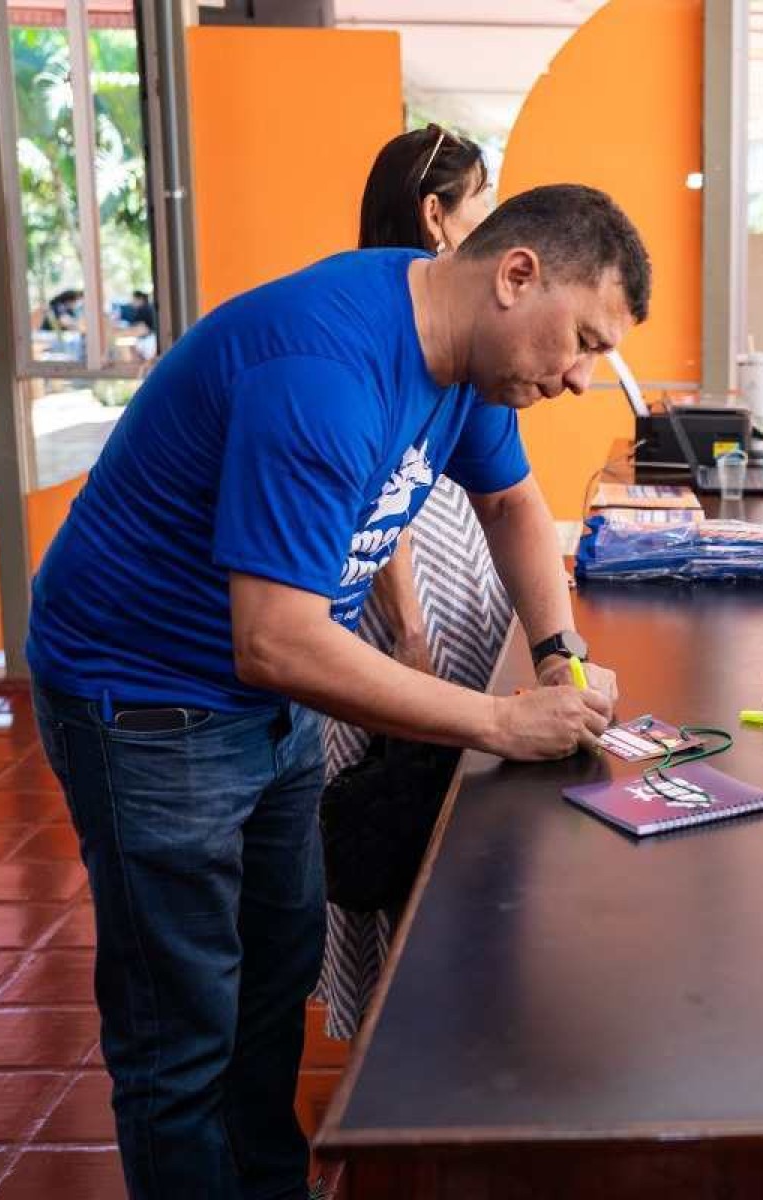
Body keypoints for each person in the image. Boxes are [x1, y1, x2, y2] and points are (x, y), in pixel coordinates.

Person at [26, 183, 649, 1200]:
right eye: (579, 341)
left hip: (263, 706)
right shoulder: (326, 372)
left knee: (273, 989)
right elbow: (275, 641)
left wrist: (559, 653)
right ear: (516, 275)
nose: (581, 378)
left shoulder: (462, 358)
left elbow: (514, 502)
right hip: (143, 700)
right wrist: (499, 719)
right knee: (181, 1039)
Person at [318, 123, 510, 1041]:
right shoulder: (379, 328)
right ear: (437, 216)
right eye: (480, 205)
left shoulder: (447, 323)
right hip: (408, 586)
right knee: (395, 794)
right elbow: (377, 499)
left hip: (444, 568)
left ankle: (431, 988)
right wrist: (409, 620)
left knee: (437, 781)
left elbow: (507, 495)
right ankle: (399, 1015)